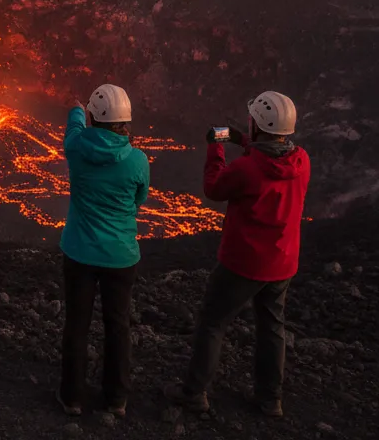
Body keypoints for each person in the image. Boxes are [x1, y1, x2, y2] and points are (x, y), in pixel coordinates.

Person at [166, 91, 309, 418]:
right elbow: (270, 154)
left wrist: (216, 145)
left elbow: (214, 188)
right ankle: (270, 399)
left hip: (243, 262)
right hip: (283, 262)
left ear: (257, 126)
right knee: (272, 326)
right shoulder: (301, 161)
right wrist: (242, 138)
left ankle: (194, 393)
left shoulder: (246, 169)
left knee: (213, 322)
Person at [58, 84, 150, 418]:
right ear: (126, 121)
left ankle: (72, 398)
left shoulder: (78, 149)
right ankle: (117, 399)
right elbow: (139, 199)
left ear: (94, 118)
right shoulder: (138, 160)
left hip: (80, 253)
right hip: (121, 256)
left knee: (77, 325)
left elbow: (74, 128)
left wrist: (76, 108)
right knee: (118, 326)